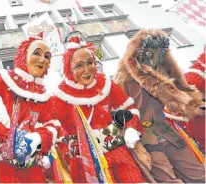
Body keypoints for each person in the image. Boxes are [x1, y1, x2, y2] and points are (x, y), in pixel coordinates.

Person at [51, 32, 146, 183]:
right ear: (69, 70)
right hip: (88, 161)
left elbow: (130, 108)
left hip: (117, 148)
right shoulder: (60, 96)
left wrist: (130, 128)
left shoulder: (105, 83)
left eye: (90, 62)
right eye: (79, 66)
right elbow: (55, 129)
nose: (87, 69)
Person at [115, 29, 205, 183]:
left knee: (198, 174)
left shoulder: (162, 71)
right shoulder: (124, 81)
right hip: (144, 136)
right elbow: (119, 114)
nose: (155, 59)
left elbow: (181, 95)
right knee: (166, 179)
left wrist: (195, 105)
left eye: (160, 54)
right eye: (151, 53)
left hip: (167, 132)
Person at [0, 33, 61, 183]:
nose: (42, 59)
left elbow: (54, 125)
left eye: (47, 56)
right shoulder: (1, 80)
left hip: (32, 170)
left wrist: (38, 137)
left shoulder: (45, 95)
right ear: (24, 56)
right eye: (37, 53)